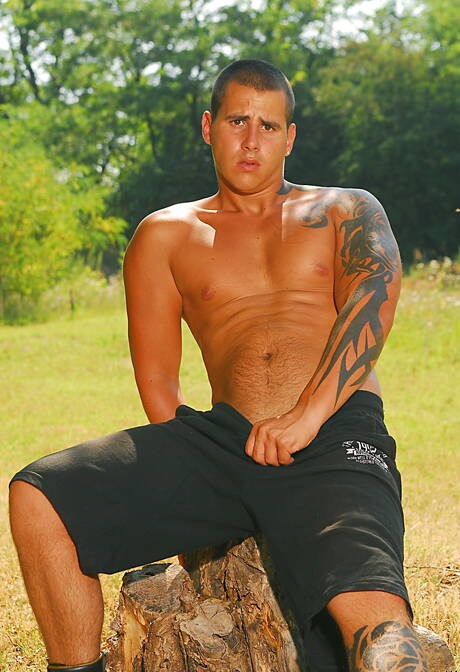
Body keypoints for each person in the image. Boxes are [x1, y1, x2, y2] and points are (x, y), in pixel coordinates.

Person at [9, 59, 427, 672]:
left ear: (290, 137)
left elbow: (375, 297)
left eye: (268, 125)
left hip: (334, 434)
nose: (252, 140)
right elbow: (158, 380)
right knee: (38, 496)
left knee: (382, 637)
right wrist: (181, 497)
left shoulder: (345, 208)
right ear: (209, 127)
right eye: (237, 121)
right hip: (225, 442)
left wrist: (307, 417)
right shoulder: (165, 234)